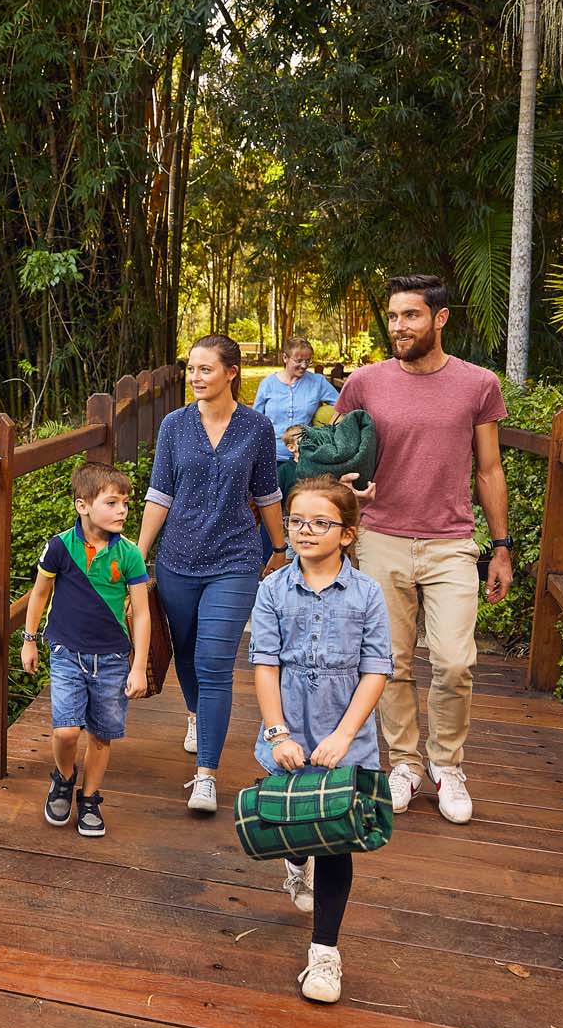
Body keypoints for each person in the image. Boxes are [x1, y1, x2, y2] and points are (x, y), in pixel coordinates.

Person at [334, 275, 512, 824]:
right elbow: (336, 457)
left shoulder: (478, 384)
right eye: (392, 317)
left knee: (456, 662)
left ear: (439, 319)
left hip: (452, 542)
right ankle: (406, 764)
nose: (398, 327)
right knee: (391, 663)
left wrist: (501, 547)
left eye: (410, 316)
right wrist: (347, 492)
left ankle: (448, 764)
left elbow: (489, 469)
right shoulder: (364, 383)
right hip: (381, 538)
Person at [249, 476, 391, 1004]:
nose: (305, 531)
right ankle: (293, 861)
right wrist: (276, 729)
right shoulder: (272, 590)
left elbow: (376, 670)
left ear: (347, 534)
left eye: (320, 522)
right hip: (289, 723)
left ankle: (325, 954)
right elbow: (264, 663)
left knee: (336, 836)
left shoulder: (368, 593)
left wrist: (346, 735)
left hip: (343, 729)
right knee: (296, 823)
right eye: (297, 521)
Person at [138, 335, 288, 815]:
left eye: (205, 369)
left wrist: (281, 548)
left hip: (235, 561)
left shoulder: (257, 427)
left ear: (231, 373)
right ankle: (196, 715)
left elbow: (267, 493)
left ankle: (206, 775)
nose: (195, 377)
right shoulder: (174, 426)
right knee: (185, 653)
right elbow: (159, 494)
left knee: (213, 662)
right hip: (178, 559)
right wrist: (137, 556)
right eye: (191, 369)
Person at [19, 461, 152, 839]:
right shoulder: (60, 547)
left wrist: (138, 666)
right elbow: (40, 593)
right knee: (65, 732)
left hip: (111, 658)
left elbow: (141, 614)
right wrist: (29, 641)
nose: (122, 510)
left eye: (125, 503)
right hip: (66, 652)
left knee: (101, 734)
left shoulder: (128, 553)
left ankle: (90, 798)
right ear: (83, 505)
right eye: (112, 503)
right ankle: (63, 777)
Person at [253, 338, 341, 469]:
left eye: (308, 360)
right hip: (271, 457)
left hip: (305, 458)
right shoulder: (267, 384)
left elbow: (344, 405)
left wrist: (326, 432)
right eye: (298, 361)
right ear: (285, 358)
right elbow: (255, 421)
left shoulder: (318, 382)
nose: (304, 365)